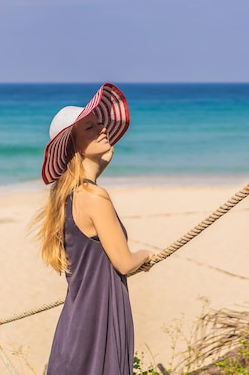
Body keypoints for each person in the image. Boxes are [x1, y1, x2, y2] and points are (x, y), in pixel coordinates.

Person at [33, 83, 153, 375]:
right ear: (74, 146)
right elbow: (124, 263)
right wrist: (145, 255)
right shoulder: (95, 197)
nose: (102, 130)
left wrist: (100, 160)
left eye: (101, 125)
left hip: (77, 321)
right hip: (99, 320)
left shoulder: (67, 198)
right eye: (90, 128)